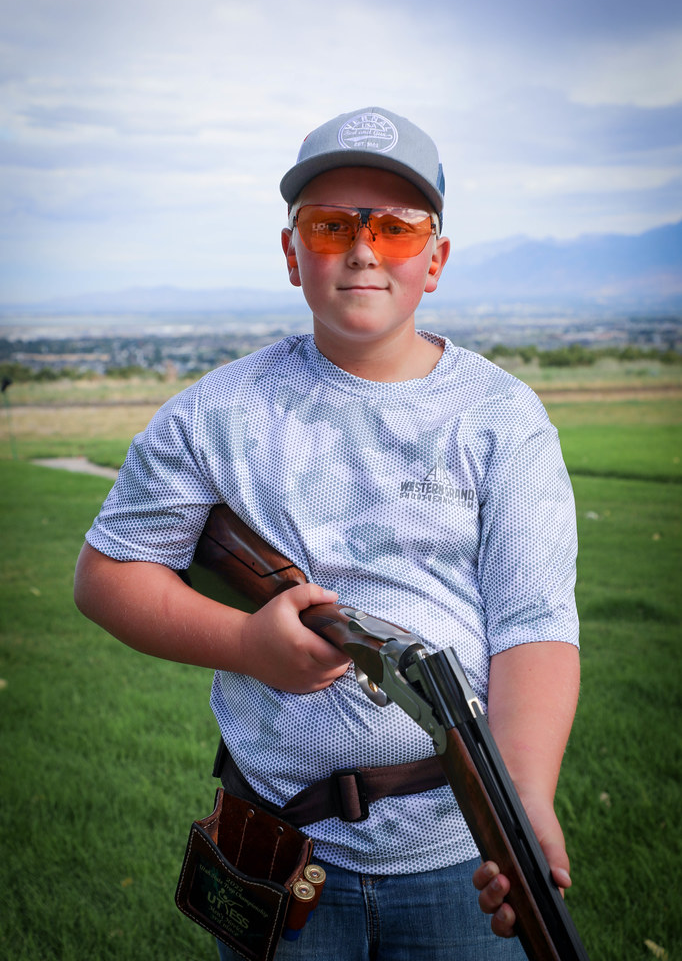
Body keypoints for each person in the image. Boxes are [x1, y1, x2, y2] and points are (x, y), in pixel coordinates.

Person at [74, 106, 580, 960]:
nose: (362, 249)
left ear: (435, 261)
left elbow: (533, 624)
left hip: (460, 853)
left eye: (394, 228)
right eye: (330, 224)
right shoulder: (216, 412)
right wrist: (248, 643)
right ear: (290, 253)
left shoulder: (502, 418)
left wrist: (521, 803)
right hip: (282, 849)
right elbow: (108, 577)